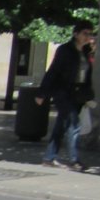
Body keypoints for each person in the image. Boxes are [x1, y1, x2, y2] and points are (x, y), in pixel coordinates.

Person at [36, 20, 95, 172]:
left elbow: (87, 76)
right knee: (74, 124)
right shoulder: (65, 50)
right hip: (63, 92)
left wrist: (89, 96)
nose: (88, 36)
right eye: (85, 33)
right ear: (76, 34)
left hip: (78, 94)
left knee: (61, 126)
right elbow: (53, 71)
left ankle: (48, 158)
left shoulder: (86, 52)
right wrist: (42, 92)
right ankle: (74, 160)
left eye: (90, 33)